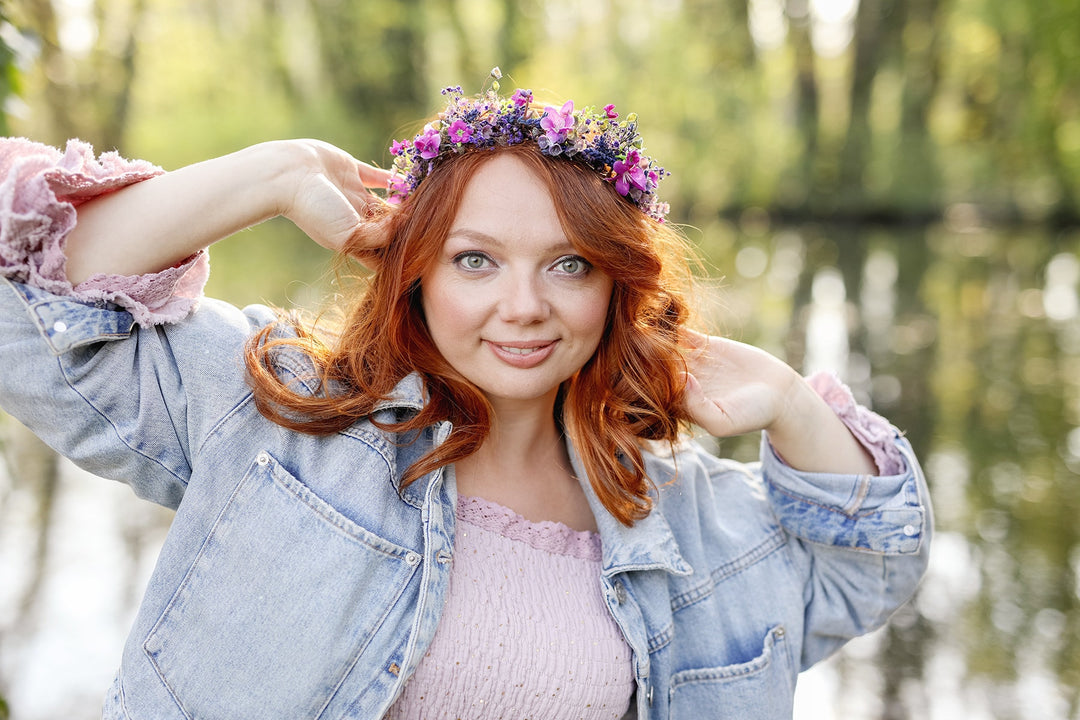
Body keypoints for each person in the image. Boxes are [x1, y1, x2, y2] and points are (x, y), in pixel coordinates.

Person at [0, 72, 930, 719]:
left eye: (568, 264)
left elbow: (871, 565)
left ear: (615, 285)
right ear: (417, 276)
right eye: (475, 259)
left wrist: (792, 403)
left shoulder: (687, 523)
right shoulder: (279, 415)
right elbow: (25, 297)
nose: (522, 308)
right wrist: (272, 176)